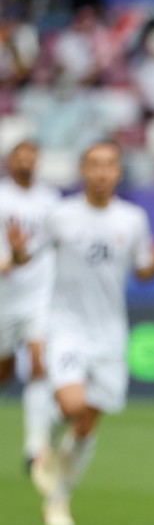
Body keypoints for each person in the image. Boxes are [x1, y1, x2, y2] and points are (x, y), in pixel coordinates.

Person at [28, 141, 154, 525]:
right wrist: (13, 256)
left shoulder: (132, 219)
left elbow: (142, 271)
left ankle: (59, 498)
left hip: (110, 334)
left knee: (85, 426)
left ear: (117, 172)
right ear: (83, 170)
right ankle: (45, 444)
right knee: (71, 404)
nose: (101, 172)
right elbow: (26, 258)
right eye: (94, 164)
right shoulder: (60, 216)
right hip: (66, 329)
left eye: (109, 165)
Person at [0, 140, 61, 475]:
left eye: (31, 156)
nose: (26, 161)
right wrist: (9, 260)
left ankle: (35, 447)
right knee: (5, 371)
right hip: (5, 296)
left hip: (41, 296)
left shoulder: (50, 200)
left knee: (39, 363)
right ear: (11, 161)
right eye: (20, 156)